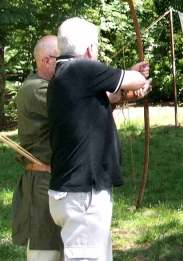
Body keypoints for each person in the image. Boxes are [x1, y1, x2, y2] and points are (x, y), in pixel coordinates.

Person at [47, 17, 152, 261]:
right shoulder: (82, 69)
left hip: (75, 191)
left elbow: (108, 96)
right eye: (96, 47)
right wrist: (133, 77)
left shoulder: (63, 74)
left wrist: (129, 75)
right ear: (90, 49)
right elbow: (132, 83)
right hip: (83, 194)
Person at [12, 35, 63, 261]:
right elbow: (75, 109)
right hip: (43, 181)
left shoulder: (46, 88)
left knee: (63, 249)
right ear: (46, 60)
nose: (65, 66)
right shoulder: (38, 90)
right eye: (61, 60)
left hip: (53, 178)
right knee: (44, 252)